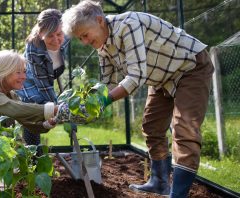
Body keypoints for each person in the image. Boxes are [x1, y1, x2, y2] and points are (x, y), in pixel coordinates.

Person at [61, 1, 214, 197]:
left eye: (84, 35)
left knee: (185, 130)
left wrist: (104, 101)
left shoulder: (128, 25)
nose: (83, 41)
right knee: (152, 126)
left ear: (99, 21)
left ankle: (178, 194)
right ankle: (160, 182)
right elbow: (107, 86)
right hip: (161, 77)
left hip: (190, 67)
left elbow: (136, 77)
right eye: (79, 38)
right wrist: (88, 105)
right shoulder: (102, 46)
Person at [16, 9, 70, 147]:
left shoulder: (65, 36)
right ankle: (31, 158)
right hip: (30, 85)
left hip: (48, 78)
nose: (56, 40)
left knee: (50, 114)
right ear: (40, 34)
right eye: (50, 36)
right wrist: (58, 110)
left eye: (59, 34)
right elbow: (43, 86)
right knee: (34, 120)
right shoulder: (33, 49)